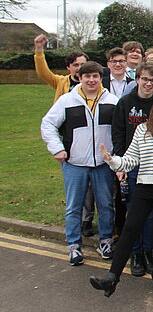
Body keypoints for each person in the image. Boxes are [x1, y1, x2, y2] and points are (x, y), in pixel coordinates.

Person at [89, 93, 153, 297]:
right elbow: (130, 160)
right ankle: (112, 278)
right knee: (129, 230)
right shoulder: (142, 130)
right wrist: (112, 161)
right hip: (144, 188)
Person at [40, 61, 119, 265]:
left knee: (106, 206)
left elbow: (119, 131)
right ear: (80, 78)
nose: (91, 80)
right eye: (87, 76)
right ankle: (74, 245)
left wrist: (115, 156)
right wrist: (57, 148)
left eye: (95, 76)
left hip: (103, 165)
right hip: (75, 163)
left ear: (101, 78)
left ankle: (105, 241)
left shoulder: (112, 100)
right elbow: (48, 123)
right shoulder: (67, 100)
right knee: (74, 207)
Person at [112, 63, 153, 277]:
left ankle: (149, 251)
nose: (148, 84)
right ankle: (136, 253)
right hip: (132, 165)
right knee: (134, 212)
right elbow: (118, 134)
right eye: (145, 79)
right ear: (137, 79)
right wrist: (120, 165)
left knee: (150, 213)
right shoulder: (125, 102)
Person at [33, 33, 88, 102]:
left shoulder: (93, 83)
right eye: (75, 65)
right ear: (68, 67)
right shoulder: (61, 82)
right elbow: (43, 73)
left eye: (82, 64)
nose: (79, 68)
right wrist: (39, 49)